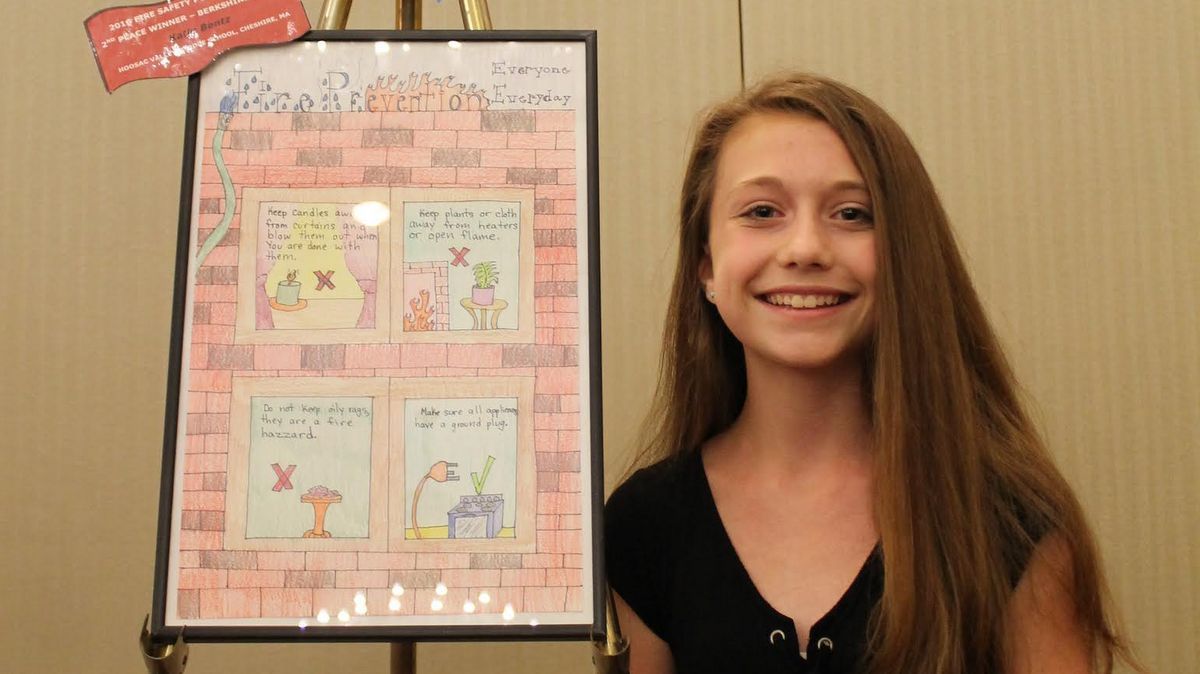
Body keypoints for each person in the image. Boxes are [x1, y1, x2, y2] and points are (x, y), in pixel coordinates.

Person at [604, 73, 1141, 674]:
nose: (805, 248)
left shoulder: (1012, 521)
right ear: (706, 265)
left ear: (903, 256)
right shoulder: (642, 527)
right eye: (762, 211)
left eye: (852, 214)